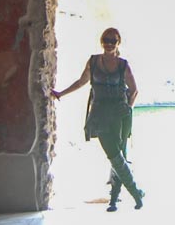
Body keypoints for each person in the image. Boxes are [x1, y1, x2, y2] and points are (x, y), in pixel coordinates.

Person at [52, 27, 145, 211]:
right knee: (113, 153)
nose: (109, 43)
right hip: (100, 113)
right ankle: (136, 192)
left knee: (119, 154)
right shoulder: (93, 62)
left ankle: (115, 199)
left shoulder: (122, 65)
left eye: (113, 40)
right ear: (101, 41)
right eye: (106, 39)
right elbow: (82, 81)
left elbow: (134, 90)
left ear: (118, 43)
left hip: (119, 114)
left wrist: (129, 107)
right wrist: (61, 93)